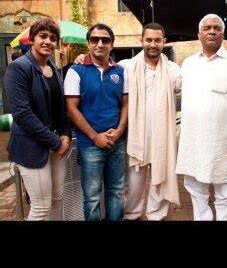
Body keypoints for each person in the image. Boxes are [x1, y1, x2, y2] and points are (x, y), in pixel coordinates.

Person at [74, 22, 181, 221]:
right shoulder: (126, 66)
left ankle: (157, 215)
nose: (152, 44)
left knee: (161, 178)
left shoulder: (174, 70)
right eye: (148, 40)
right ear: (142, 41)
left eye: (157, 40)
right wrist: (83, 58)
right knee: (132, 184)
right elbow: (103, 66)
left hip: (161, 137)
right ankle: (131, 215)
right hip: (135, 137)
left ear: (164, 42)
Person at [176, 14, 227, 221]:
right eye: (207, 28)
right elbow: (165, 76)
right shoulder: (188, 63)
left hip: (225, 141)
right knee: (196, 190)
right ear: (199, 34)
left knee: (225, 193)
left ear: (222, 34)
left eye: (216, 28)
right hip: (194, 140)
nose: (211, 31)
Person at [4, 18, 71, 221]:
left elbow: (62, 108)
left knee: (58, 198)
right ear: (32, 39)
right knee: (41, 207)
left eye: (53, 38)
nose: (48, 41)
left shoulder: (54, 68)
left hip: (57, 143)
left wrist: (66, 135)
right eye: (43, 36)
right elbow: (22, 114)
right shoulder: (18, 68)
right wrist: (55, 142)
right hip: (31, 147)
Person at [64, 23, 128, 221]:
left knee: (116, 191)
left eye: (105, 40)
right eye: (94, 39)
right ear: (88, 43)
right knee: (91, 197)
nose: (100, 44)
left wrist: (118, 131)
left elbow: (126, 104)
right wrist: (95, 137)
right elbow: (71, 108)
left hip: (117, 143)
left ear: (112, 44)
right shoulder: (76, 71)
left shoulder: (121, 71)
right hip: (89, 145)